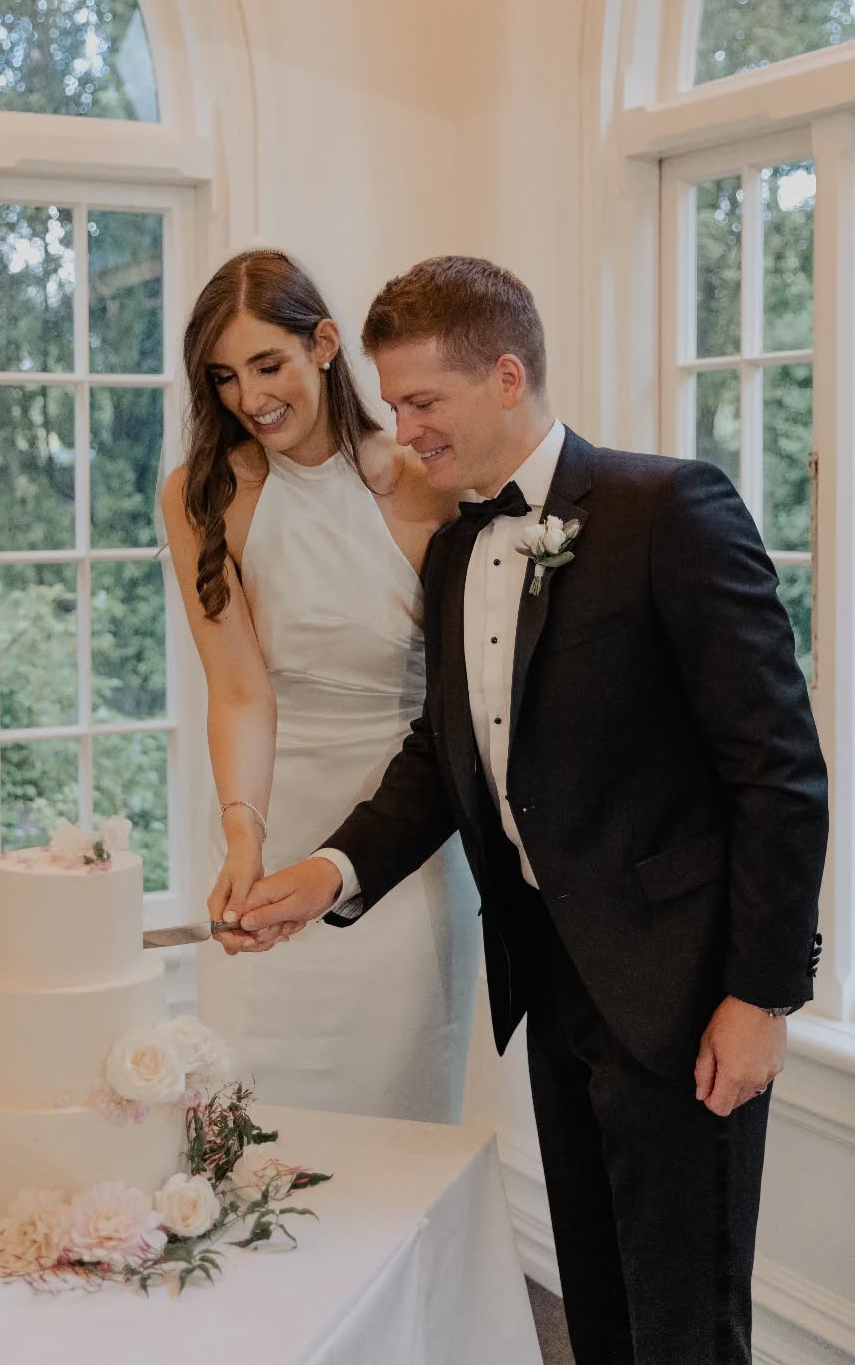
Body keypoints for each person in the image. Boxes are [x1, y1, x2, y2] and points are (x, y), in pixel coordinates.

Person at [233, 256, 828, 1365]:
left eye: (423, 401)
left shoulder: (671, 510)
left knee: (685, 1328)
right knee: (599, 1313)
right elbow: (440, 756)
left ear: (506, 377)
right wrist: (324, 875)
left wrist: (762, 994)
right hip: (552, 990)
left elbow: (779, 771)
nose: (404, 431)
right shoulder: (457, 546)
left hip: (684, 996)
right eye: (397, 402)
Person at [160, 249, 481, 1123]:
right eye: (223, 377)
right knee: (252, 1123)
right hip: (263, 821)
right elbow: (239, 691)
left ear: (326, 345)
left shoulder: (425, 486)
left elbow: (464, 710)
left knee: (394, 1133)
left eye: (270, 364)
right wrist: (241, 835)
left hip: (398, 844)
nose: (249, 397)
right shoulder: (202, 494)